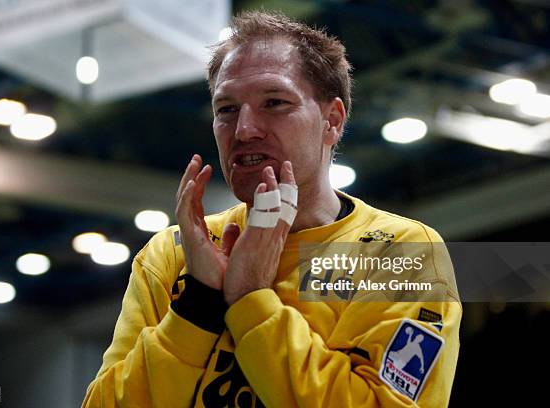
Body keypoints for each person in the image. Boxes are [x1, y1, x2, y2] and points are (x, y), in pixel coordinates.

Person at [82, 10, 460, 408]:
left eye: (274, 102)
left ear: (332, 121)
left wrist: (250, 298)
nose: (244, 130)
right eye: (226, 109)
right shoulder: (173, 254)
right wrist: (197, 305)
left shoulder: (401, 252)